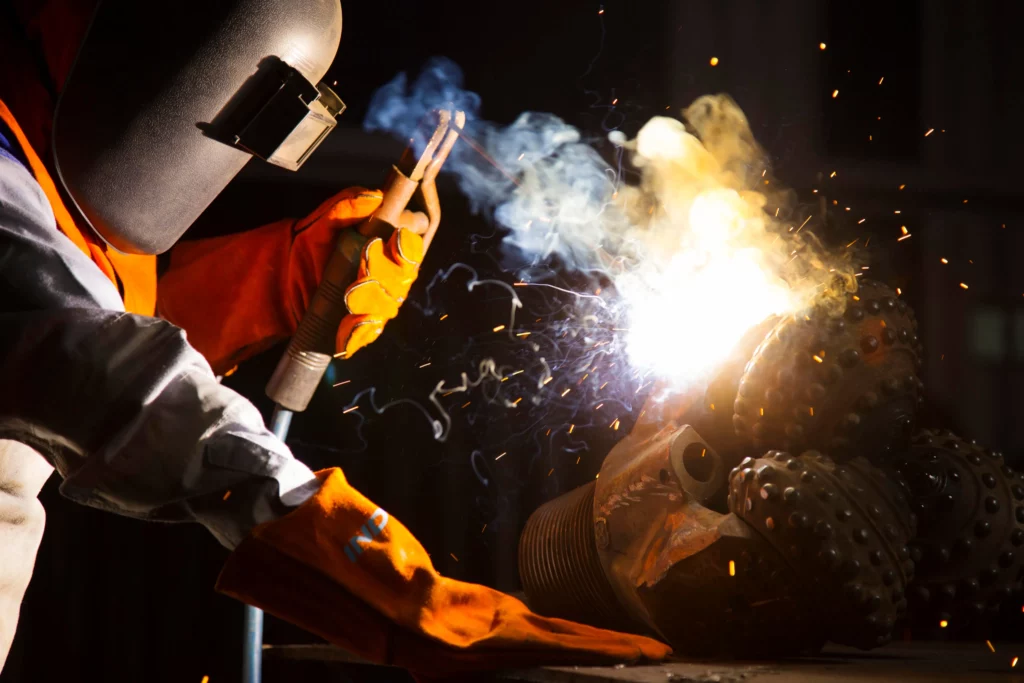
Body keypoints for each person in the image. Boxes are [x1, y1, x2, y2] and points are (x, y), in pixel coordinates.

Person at [0, 0, 671, 678]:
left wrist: (282, 281)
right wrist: (384, 578)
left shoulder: (46, 156)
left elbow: (78, 327)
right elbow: (107, 373)